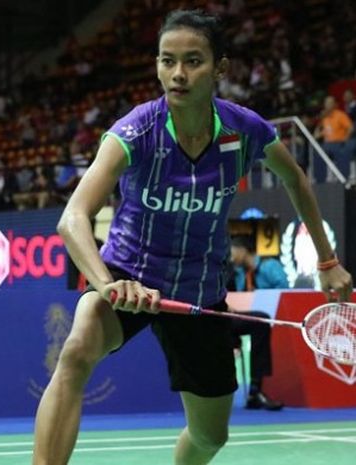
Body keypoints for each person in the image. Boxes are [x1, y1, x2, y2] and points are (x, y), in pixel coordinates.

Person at [32, 10, 352, 465]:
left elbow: (297, 180)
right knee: (78, 348)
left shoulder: (244, 131)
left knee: (210, 435)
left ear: (220, 68)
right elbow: (72, 218)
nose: (178, 74)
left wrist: (327, 261)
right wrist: (106, 282)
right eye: (167, 61)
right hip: (128, 274)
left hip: (198, 291)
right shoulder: (135, 132)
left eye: (193, 61)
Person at [228, 236, 286, 411]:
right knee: (256, 321)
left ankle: (255, 390)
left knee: (260, 321)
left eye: (232, 252)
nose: (230, 257)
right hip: (233, 315)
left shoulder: (270, 266)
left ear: (242, 250)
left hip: (275, 313)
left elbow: (284, 288)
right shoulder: (237, 273)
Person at [313, 95, 353, 183]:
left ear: (334, 104)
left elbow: (350, 128)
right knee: (317, 153)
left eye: (330, 103)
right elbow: (316, 135)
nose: (328, 105)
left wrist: (345, 139)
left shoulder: (340, 115)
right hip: (326, 145)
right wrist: (320, 121)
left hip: (339, 143)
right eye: (326, 103)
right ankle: (320, 182)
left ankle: (343, 181)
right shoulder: (324, 119)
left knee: (342, 152)